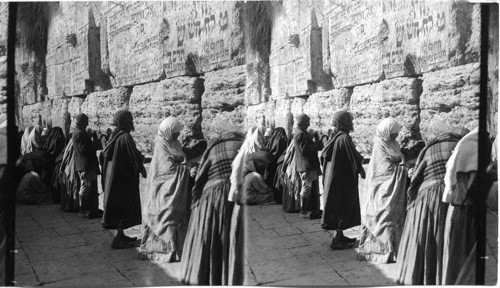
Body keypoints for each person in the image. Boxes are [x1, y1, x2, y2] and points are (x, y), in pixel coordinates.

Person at [396, 129, 466, 285]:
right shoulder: (461, 146)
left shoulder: (429, 149)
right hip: (452, 196)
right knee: (447, 237)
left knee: (425, 236)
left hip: (428, 196)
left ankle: (420, 278)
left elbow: (416, 178)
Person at [180, 132, 245, 285]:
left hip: (213, 197)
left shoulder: (215, 148)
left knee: (211, 238)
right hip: (237, 195)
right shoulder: (244, 145)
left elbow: (200, 177)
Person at [140, 117, 191, 262]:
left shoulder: (174, 142)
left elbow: (180, 158)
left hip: (174, 186)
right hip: (163, 188)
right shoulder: (161, 144)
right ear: (168, 131)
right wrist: (185, 170)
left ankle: (176, 250)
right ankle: (162, 251)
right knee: (165, 214)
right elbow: (166, 168)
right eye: (175, 132)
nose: (178, 135)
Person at [358, 117, 408, 263]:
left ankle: (393, 251)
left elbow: (397, 158)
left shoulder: (393, 143)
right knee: (382, 216)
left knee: (391, 217)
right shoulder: (380, 143)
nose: (396, 136)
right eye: (394, 133)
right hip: (381, 187)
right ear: (387, 131)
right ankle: (379, 252)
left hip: (392, 186)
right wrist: (403, 169)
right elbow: (384, 168)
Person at [439, 128, 482, 284]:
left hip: (461, 207)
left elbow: (451, 178)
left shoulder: (466, 146)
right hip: (464, 207)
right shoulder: (471, 147)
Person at [101, 110, 146, 249]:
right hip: (122, 181)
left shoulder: (116, 136)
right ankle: (118, 240)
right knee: (122, 207)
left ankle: (120, 236)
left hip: (115, 179)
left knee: (118, 207)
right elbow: (134, 156)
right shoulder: (125, 137)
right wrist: (143, 169)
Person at [320, 111, 365, 249]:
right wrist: (361, 169)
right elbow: (353, 156)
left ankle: (339, 236)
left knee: (338, 206)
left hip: (334, 179)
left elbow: (323, 155)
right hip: (341, 181)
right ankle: (337, 241)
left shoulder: (335, 136)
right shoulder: (344, 137)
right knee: (342, 206)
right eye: (349, 121)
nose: (351, 123)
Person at [292, 114, 322, 218]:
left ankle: (307, 209)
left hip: (307, 166)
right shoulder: (300, 134)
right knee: (306, 188)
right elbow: (305, 150)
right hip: (306, 166)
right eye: (308, 122)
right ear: (304, 122)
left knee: (307, 188)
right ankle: (303, 211)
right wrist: (317, 143)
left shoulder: (301, 132)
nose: (309, 124)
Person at [72, 114, 102, 219]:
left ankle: (89, 208)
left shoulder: (79, 132)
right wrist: (94, 141)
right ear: (82, 122)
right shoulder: (79, 134)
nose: (87, 124)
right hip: (85, 165)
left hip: (85, 165)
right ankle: (82, 210)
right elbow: (84, 150)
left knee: (87, 187)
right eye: (86, 121)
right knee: (85, 188)